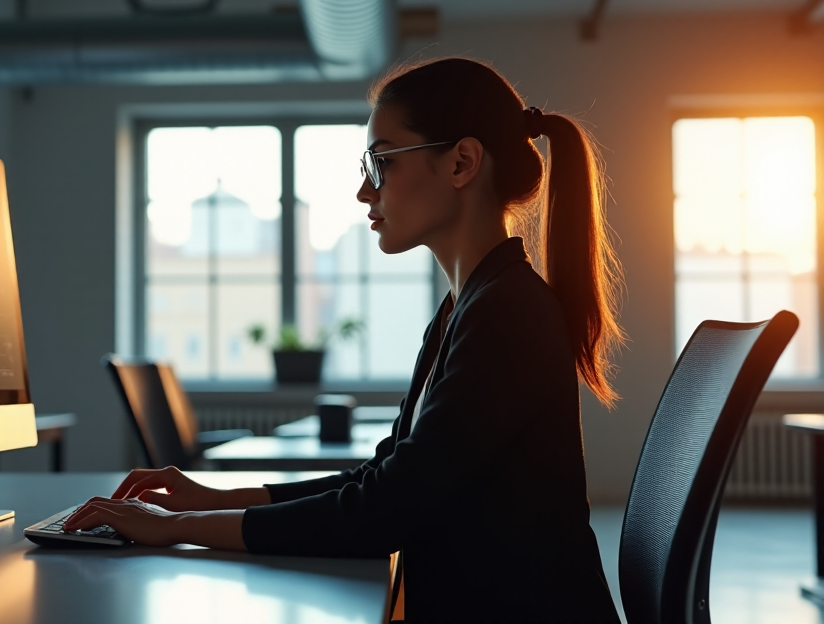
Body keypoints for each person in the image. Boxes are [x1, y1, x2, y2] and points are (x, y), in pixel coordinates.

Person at [65, 56, 624, 623]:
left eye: (381, 162)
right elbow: (384, 478)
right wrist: (208, 498)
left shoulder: (507, 312)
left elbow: (382, 511)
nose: (363, 191)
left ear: (461, 162)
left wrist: (178, 529)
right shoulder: (469, 304)